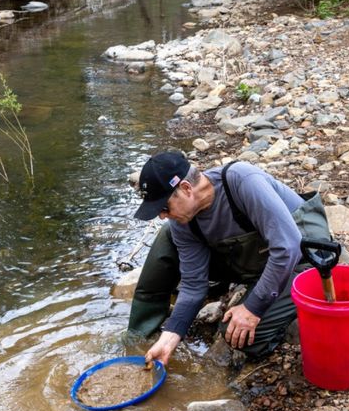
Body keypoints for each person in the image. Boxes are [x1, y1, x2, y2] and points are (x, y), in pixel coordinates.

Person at [129, 151, 334, 366]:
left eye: (163, 207)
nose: (162, 215)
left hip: (306, 258)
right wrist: (171, 335)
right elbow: (193, 284)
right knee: (168, 235)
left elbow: (288, 248)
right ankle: (142, 329)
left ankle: (288, 314)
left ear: (186, 189)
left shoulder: (242, 181)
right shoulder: (183, 222)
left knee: (239, 337)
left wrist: (253, 308)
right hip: (258, 259)